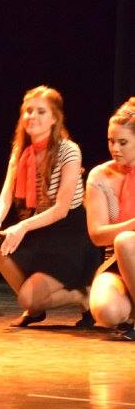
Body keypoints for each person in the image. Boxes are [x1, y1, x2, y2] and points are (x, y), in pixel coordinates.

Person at [0, 85, 98, 327]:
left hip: (69, 233)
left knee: (27, 298)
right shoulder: (21, 152)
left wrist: (23, 226)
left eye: (41, 111)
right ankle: (36, 307)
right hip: (40, 226)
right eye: (28, 111)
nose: (32, 116)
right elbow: (5, 197)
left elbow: (61, 209)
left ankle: (82, 295)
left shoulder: (69, 151)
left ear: (55, 118)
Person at [84, 97, 135, 335]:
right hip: (116, 262)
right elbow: (97, 235)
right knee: (107, 311)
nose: (115, 148)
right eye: (111, 141)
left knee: (125, 241)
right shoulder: (100, 176)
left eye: (123, 142)